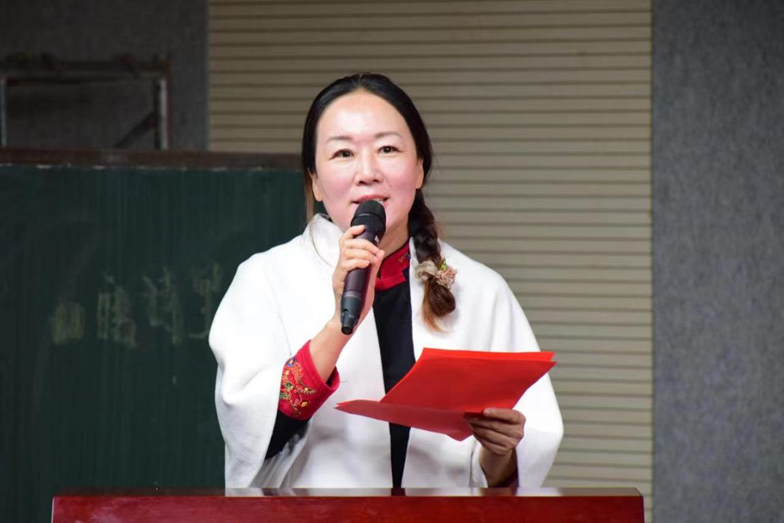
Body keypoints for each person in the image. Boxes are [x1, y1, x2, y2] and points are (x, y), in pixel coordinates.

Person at [209, 72, 563, 489]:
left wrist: (500, 449)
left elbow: (511, 470)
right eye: (343, 153)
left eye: (387, 149)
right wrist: (339, 326)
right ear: (315, 181)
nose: (367, 172)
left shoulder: (481, 290)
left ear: (419, 169)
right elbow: (252, 436)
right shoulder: (265, 280)